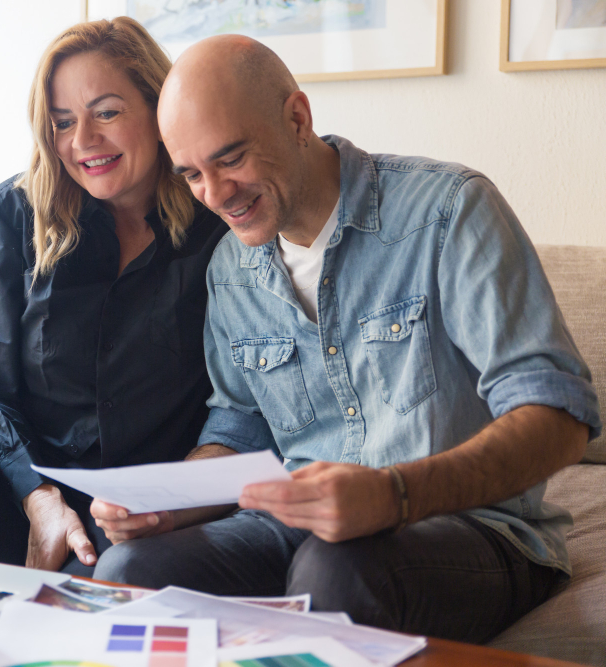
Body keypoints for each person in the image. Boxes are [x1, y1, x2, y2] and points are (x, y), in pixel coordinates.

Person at [90, 34, 601, 642]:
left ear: (297, 118)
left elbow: (559, 415)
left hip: (474, 529)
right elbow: (241, 426)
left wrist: (395, 496)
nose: (216, 195)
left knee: (334, 571)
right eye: (192, 175)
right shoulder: (230, 268)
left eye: (230, 159)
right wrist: (169, 502)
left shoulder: (449, 212)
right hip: (302, 529)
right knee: (129, 571)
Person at [0, 18, 226, 577]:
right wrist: (39, 497)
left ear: (159, 110)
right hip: (24, 488)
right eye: (62, 122)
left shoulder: (219, 225)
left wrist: (167, 501)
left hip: (140, 508)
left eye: (106, 112)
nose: (82, 141)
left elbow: (239, 402)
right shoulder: (11, 214)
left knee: (111, 573)